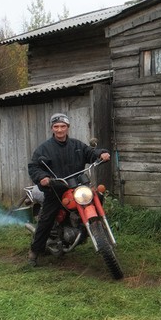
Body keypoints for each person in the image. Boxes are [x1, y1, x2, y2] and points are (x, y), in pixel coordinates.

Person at [26, 113, 110, 266]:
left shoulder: (77, 145)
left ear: (68, 128)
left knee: (97, 195)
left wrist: (101, 153)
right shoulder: (44, 149)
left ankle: (98, 231)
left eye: (63, 126)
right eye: (56, 126)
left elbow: (90, 153)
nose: (60, 130)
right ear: (52, 128)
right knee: (46, 219)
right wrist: (42, 178)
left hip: (77, 185)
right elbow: (34, 167)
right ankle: (34, 252)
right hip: (56, 190)